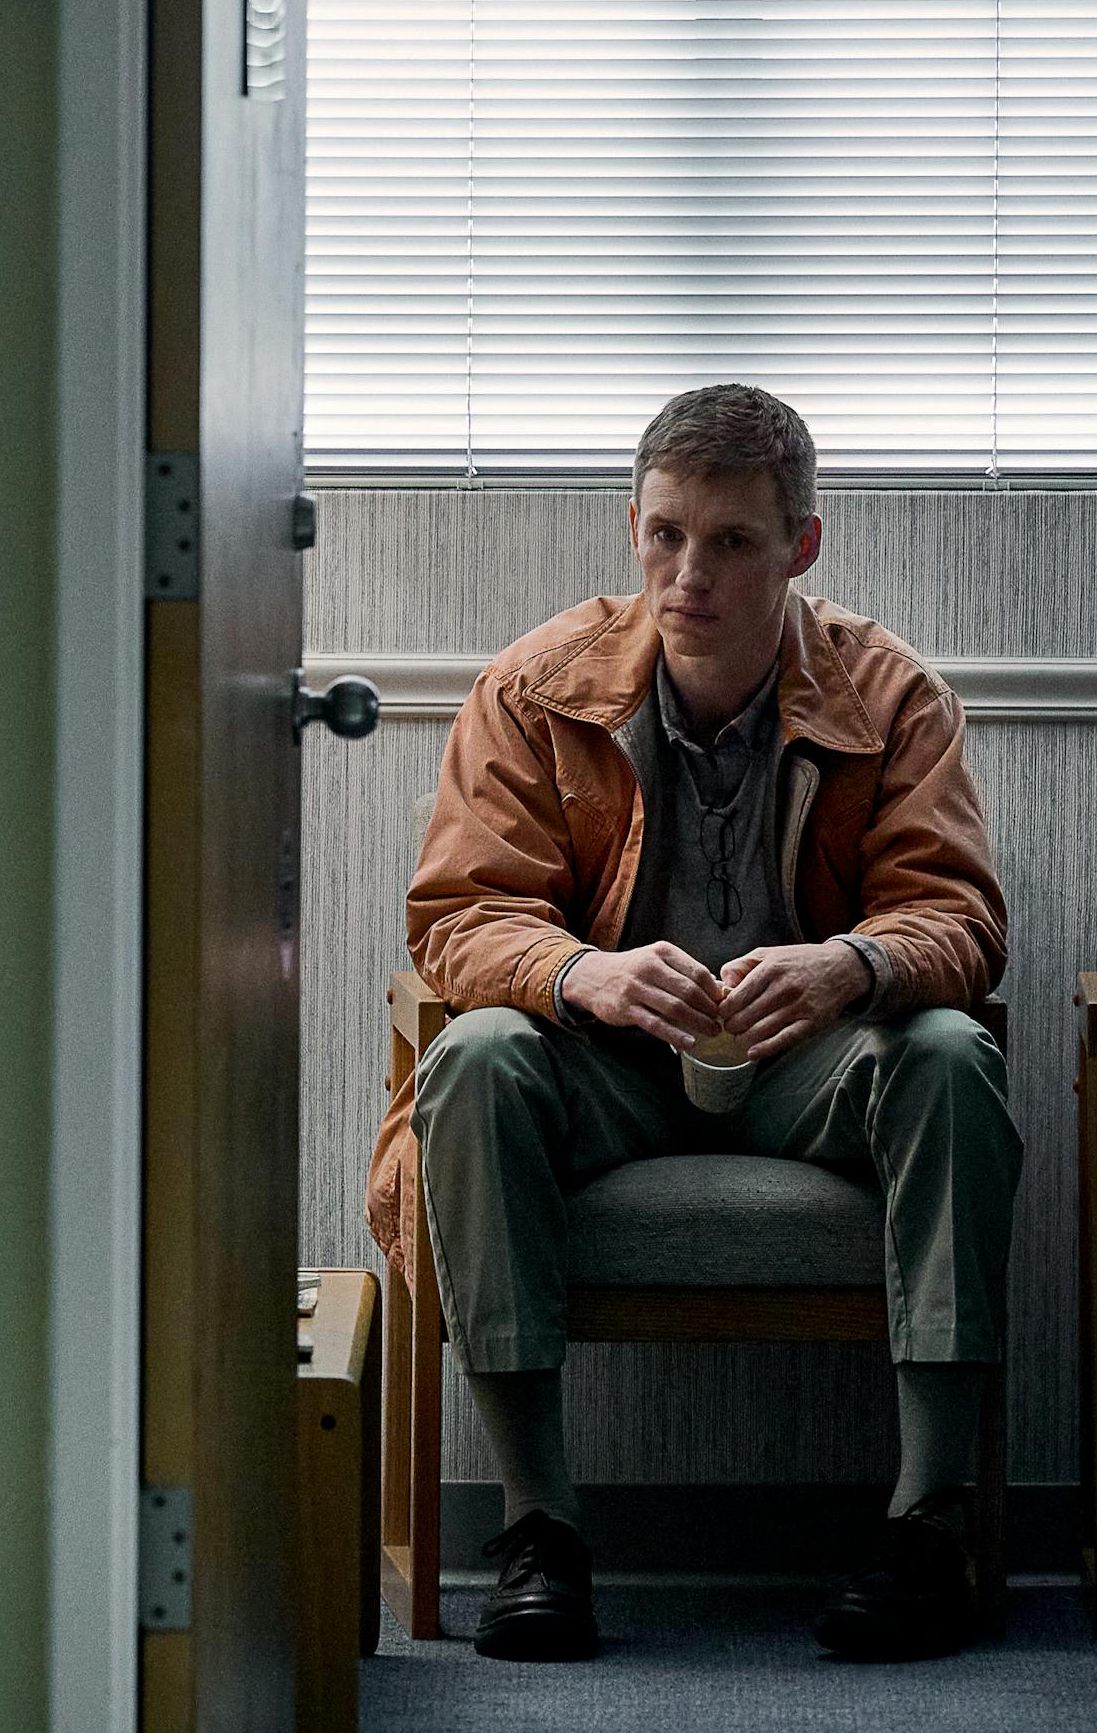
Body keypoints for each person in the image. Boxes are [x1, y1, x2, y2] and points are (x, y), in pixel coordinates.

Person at [364, 382, 1021, 1663]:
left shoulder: (892, 695)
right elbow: (456, 915)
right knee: (475, 1052)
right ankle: (537, 1527)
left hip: (805, 1066)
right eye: (664, 534)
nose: (688, 573)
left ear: (800, 547)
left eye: (729, 541)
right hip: (605, 1064)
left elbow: (959, 919)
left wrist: (848, 965)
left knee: (950, 1052)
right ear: (631, 528)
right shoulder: (536, 688)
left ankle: (927, 1521)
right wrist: (575, 976)